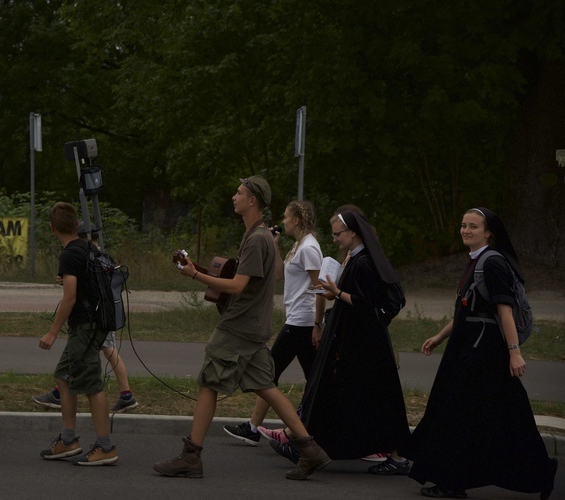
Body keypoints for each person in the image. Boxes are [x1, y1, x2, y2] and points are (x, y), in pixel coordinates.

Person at [153, 176, 331, 481]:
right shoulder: (260, 236)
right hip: (253, 327)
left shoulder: (256, 238)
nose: (234, 197)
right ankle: (310, 450)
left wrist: (195, 274)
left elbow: (237, 285)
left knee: (209, 382)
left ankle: (191, 456)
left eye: (239, 193)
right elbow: (273, 276)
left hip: (238, 328)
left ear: (253, 201)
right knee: (267, 387)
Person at [406, 207, 558, 499]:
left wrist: (514, 352)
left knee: (461, 412)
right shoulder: (476, 261)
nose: (466, 230)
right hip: (469, 344)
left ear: (489, 232)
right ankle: (539, 472)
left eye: (473, 226)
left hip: (483, 351)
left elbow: (504, 311)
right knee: (503, 414)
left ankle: (453, 482)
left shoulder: (492, 264)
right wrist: (439, 336)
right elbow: (468, 310)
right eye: (463, 225)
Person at [297, 210, 411, 474]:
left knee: (381, 398)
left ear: (353, 233)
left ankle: (398, 456)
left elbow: (366, 304)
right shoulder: (357, 259)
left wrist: (337, 292)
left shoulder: (363, 262)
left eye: (338, 234)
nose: (335, 239)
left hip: (368, 345)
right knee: (367, 397)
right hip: (362, 342)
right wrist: (335, 293)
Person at [223, 200, 324, 445]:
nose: (283, 220)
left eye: (286, 217)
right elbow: (279, 274)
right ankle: (314, 428)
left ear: (297, 221)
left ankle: (255, 428)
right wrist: (275, 245)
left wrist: (317, 324)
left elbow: (320, 287)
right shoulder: (298, 246)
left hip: (301, 322)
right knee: (313, 379)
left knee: (268, 373)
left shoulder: (309, 248)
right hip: (297, 320)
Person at [38, 202, 118, 466]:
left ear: (52, 228)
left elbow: (70, 299)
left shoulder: (69, 254)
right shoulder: (87, 247)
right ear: (75, 225)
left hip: (85, 325)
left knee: (92, 384)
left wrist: (52, 333)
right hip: (96, 322)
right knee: (63, 376)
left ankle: (105, 447)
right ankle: (68, 440)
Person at [34, 224, 138, 413]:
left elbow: (82, 290)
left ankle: (125, 395)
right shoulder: (99, 255)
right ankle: (125, 395)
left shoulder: (89, 254)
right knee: (96, 353)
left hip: (94, 317)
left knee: (97, 357)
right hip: (104, 313)